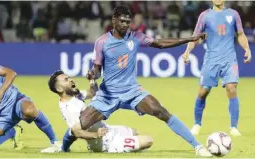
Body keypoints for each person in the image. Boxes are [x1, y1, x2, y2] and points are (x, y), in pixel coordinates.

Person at [77, 5, 212, 157]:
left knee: (161, 111)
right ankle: (61, 145)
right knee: (81, 124)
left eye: (128, 22)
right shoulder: (102, 42)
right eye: (122, 21)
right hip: (108, 95)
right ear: (114, 20)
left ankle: (197, 146)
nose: (125, 25)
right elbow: (97, 69)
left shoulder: (136, 37)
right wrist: (92, 74)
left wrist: (190, 38)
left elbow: (160, 43)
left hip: (132, 91)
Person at [182, 0, 252, 136]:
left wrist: (247, 48)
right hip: (211, 60)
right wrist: (187, 51)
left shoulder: (233, 14)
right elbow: (195, 36)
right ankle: (197, 124)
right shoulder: (205, 16)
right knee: (202, 92)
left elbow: (241, 34)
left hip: (229, 59)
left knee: (231, 88)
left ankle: (234, 127)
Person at [48, 71, 153, 153]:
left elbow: (92, 93)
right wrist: (96, 135)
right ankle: (117, 148)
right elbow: (76, 132)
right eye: (66, 79)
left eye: (69, 77)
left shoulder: (73, 96)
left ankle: (126, 148)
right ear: (59, 88)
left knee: (134, 132)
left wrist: (92, 80)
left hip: (108, 130)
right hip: (105, 142)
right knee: (148, 141)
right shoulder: (70, 108)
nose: (71, 80)